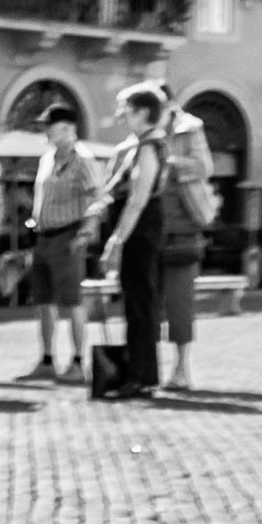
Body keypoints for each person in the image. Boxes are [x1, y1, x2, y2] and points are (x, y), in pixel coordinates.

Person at [93, 83, 166, 400]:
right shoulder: (142, 145)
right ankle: (141, 373)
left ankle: (141, 375)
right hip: (141, 232)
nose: (120, 113)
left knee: (140, 305)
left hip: (142, 233)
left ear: (142, 112)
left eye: (125, 108)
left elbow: (138, 200)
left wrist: (116, 242)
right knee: (139, 303)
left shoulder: (148, 148)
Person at [21, 103, 97, 384]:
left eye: (48, 125)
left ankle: (78, 362)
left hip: (68, 237)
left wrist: (84, 234)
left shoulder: (83, 159)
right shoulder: (47, 158)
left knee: (72, 301)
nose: (44, 130)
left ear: (66, 128)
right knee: (43, 301)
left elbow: (96, 200)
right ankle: (47, 360)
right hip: (43, 238)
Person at [152, 84, 213, 391]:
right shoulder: (144, 132)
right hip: (151, 229)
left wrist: (169, 163)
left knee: (179, 305)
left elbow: (205, 167)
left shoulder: (190, 128)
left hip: (183, 227)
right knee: (149, 306)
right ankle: (149, 368)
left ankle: (181, 368)